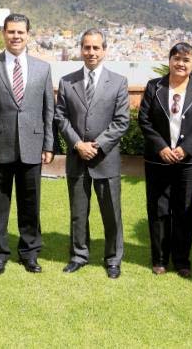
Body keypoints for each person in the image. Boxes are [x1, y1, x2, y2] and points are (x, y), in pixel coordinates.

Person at [0, 13, 54, 275]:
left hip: (32, 145)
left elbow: (48, 110)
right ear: (3, 34)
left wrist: (49, 145)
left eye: (20, 32)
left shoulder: (43, 68)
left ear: (28, 35)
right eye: (11, 32)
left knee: (30, 203)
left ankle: (29, 253)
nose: (16, 36)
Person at [55, 29, 129, 279]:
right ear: (81, 50)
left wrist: (95, 146)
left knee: (111, 214)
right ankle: (78, 255)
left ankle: (113, 259)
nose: (91, 52)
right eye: (87, 47)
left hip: (105, 160)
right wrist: (78, 144)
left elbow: (121, 122)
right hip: (77, 159)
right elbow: (61, 117)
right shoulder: (67, 82)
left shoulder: (118, 82)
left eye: (96, 48)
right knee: (78, 212)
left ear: (104, 50)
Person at [139, 42, 192, 278]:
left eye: (186, 60)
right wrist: (161, 147)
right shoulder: (154, 87)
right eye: (177, 59)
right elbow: (145, 120)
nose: (181, 64)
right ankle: (159, 259)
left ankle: (182, 260)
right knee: (159, 209)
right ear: (170, 60)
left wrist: (186, 149)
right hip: (158, 160)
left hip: (188, 162)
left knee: (184, 209)